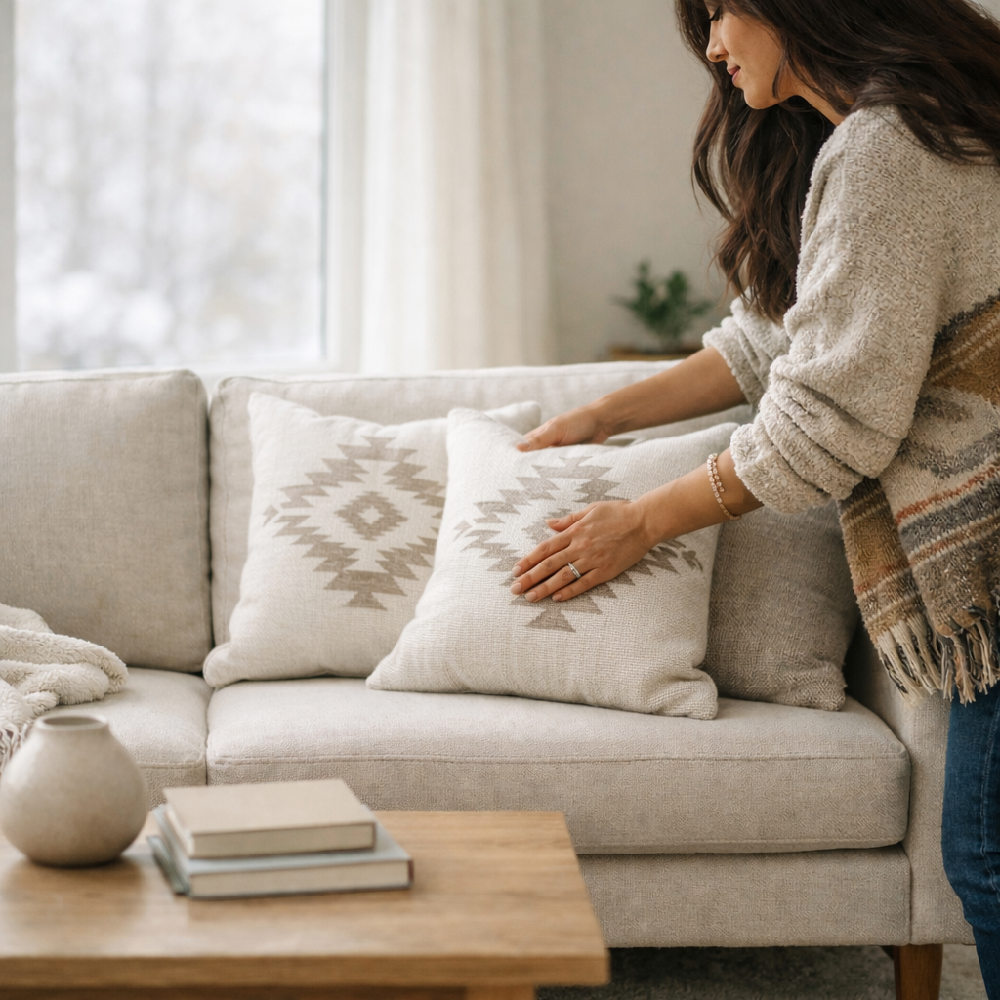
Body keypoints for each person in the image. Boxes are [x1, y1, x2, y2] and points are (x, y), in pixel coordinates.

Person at [510, 0, 1000, 990]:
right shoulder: (917, 123)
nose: (713, 47)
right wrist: (603, 417)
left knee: (984, 860)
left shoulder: (885, 151)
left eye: (722, 12)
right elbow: (777, 337)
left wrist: (641, 519)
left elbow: (823, 423)